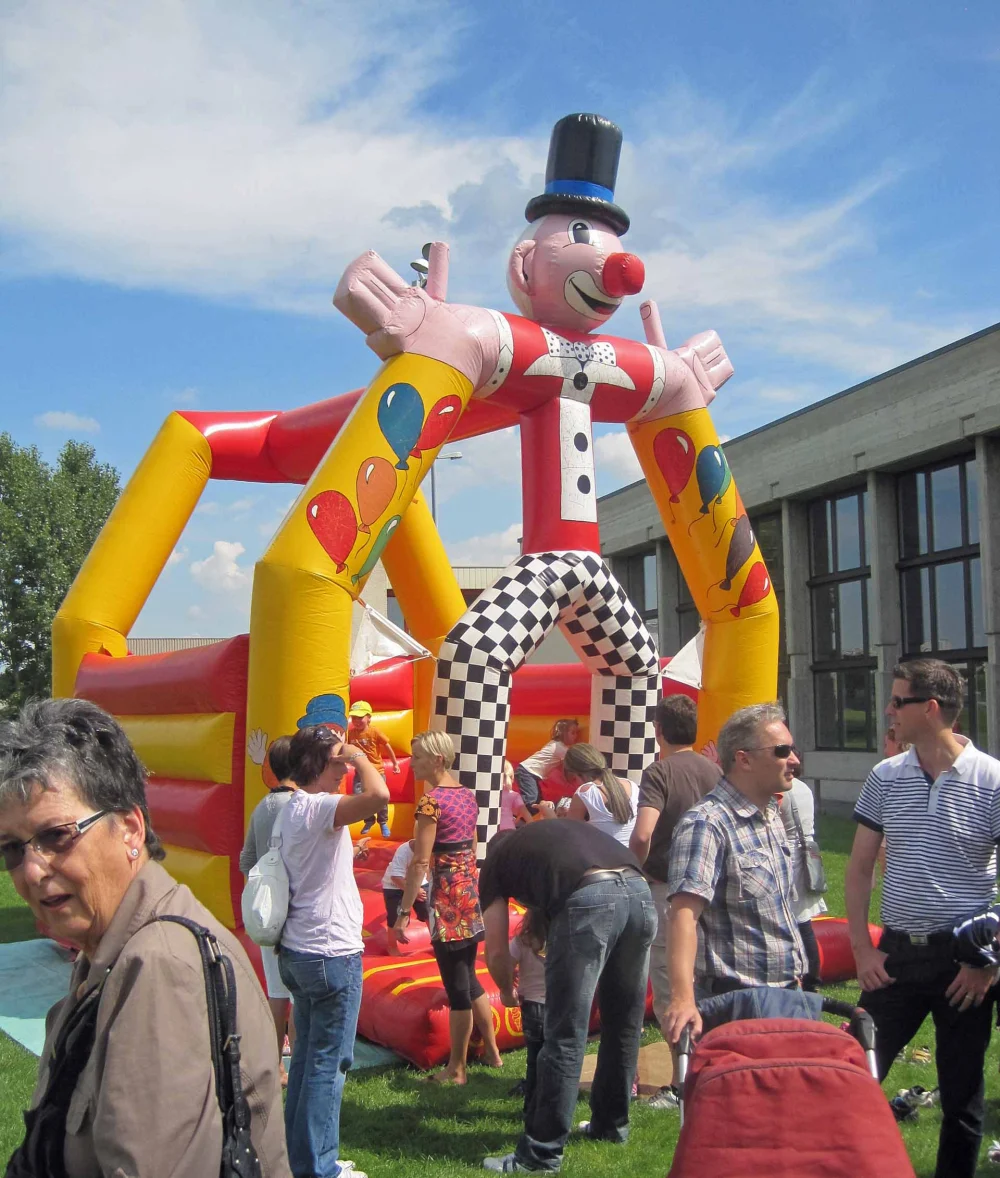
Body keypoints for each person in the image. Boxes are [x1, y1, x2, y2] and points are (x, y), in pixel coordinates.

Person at [0, 698, 289, 1178]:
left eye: (56, 835)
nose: (31, 870)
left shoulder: (160, 966)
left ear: (131, 828)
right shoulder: (111, 947)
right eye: (11, 848)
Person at [845, 659, 1000, 1178]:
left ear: (930, 710)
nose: (888, 711)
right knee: (850, 1076)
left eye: (896, 701)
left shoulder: (991, 779)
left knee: (961, 1097)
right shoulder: (886, 776)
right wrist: (863, 951)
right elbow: (860, 868)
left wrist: (987, 964)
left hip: (965, 963)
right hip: (894, 958)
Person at [479, 817, 655, 1173]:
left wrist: (506, 990)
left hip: (591, 897)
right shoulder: (547, 837)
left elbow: (496, 952)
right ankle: (611, 1126)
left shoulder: (494, 865)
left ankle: (539, 1155)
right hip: (639, 891)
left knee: (564, 1034)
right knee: (623, 1023)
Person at [279, 723, 391, 1178]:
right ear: (318, 764)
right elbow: (381, 796)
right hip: (329, 954)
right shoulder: (319, 806)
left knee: (308, 1060)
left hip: (301, 950)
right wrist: (362, 755)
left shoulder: (291, 807)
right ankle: (319, 1168)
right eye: (338, 763)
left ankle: (300, 1156)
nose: (345, 770)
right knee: (330, 1064)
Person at [663, 703, 807, 1046]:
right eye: (782, 751)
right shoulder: (707, 823)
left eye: (793, 750)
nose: (795, 760)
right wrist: (683, 999)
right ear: (743, 759)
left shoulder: (771, 814)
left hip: (786, 996)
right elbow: (683, 916)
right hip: (736, 1006)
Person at [394, 730, 502, 1083]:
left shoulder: (431, 803)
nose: (413, 763)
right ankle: (492, 1051)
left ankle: (457, 1069)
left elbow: (420, 862)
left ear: (437, 760)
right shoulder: (467, 796)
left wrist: (403, 911)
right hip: (469, 894)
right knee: (469, 978)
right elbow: (469, 845)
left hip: (446, 900)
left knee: (458, 986)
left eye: (419, 757)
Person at [629, 694, 721, 1040]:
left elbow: (642, 834)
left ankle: (681, 1080)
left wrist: (632, 868)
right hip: (710, 887)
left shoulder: (659, 772)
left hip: (667, 888)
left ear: (659, 731)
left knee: (671, 985)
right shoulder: (713, 770)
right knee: (702, 978)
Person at [240, 733, 298, 1086]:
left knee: (277, 992)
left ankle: (274, 1064)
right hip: (294, 911)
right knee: (300, 996)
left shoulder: (263, 806)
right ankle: (301, 1064)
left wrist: (261, 891)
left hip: (268, 911)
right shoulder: (298, 806)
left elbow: (246, 858)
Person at [778, 775, 827, 990]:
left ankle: (805, 977)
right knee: (803, 922)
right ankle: (811, 978)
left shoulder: (782, 790)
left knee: (796, 922)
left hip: (790, 858)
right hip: (805, 853)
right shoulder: (804, 787)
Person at [508, 908, 548, 1115]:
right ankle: (550, 1107)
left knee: (534, 1060)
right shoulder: (561, 941)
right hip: (557, 1007)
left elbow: (504, 963)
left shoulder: (522, 942)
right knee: (556, 1059)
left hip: (532, 1006)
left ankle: (530, 1108)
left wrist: (509, 986)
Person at [561, 742, 638, 845]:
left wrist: (548, 813)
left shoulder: (586, 792)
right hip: (631, 857)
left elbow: (569, 833)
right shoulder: (631, 785)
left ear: (579, 773)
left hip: (602, 859)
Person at [347, 700, 399, 838]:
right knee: (360, 796)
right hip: (361, 771)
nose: (356, 721)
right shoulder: (350, 733)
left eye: (360, 717)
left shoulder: (374, 731)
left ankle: (383, 822)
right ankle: (369, 820)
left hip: (377, 771)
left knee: (380, 797)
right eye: (353, 718)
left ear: (369, 717)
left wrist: (395, 764)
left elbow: (387, 746)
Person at [514, 719, 580, 807]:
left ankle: (522, 817)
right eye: (573, 733)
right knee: (531, 799)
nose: (576, 736)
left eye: (577, 733)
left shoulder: (556, 744)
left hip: (529, 772)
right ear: (563, 733)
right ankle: (511, 807)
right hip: (527, 771)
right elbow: (568, 768)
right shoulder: (560, 748)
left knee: (537, 802)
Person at [382, 837, 429, 939]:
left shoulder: (432, 849)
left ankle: (436, 941)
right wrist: (415, 891)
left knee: (430, 911)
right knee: (394, 916)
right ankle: (392, 946)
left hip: (418, 883)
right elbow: (395, 877)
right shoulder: (403, 851)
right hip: (394, 885)